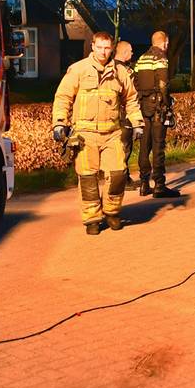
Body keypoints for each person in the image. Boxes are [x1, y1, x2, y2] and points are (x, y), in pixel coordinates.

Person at [52, 32, 144, 235]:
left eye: (107, 47)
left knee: (118, 174)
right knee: (88, 178)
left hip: (112, 133)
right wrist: (59, 123)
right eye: (100, 47)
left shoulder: (121, 72)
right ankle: (92, 219)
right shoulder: (78, 70)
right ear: (92, 46)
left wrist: (137, 122)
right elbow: (63, 97)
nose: (103, 52)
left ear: (111, 48)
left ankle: (112, 212)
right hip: (85, 134)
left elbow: (131, 99)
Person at [133, 30, 180, 198]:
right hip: (158, 106)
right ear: (165, 43)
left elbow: (135, 82)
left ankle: (144, 183)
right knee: (158, 146)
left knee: (144, 145)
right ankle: (159, 184)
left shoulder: (141, 58)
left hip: (143, 105)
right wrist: (167, 104)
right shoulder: (161, 57)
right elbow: (163, 84)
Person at [115, 40, 135, 169]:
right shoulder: (126, 71)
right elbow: (131, 93)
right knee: (125, 147)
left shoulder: (108, 67)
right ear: (125, 52)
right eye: (131, 51)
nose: (132, 53)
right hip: (123, 115)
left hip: (111, 114)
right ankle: (123, 177)